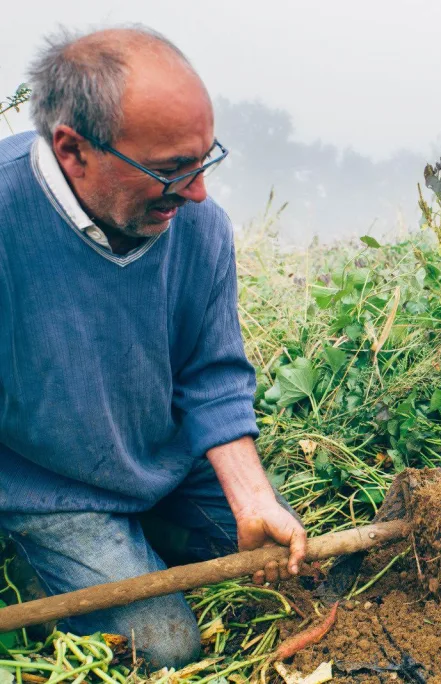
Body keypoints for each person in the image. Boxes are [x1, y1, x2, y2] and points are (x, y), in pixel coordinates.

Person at [0, 26, 306, 668]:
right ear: (73, 149)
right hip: (52, 487)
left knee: (296, 568)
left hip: (165, 462)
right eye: (169, 170)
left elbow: (213, 375)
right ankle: (47, 553)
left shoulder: (199, 227)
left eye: (203, 160)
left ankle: (149, 527)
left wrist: (252, 500)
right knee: (165, 647)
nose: (196, 191)